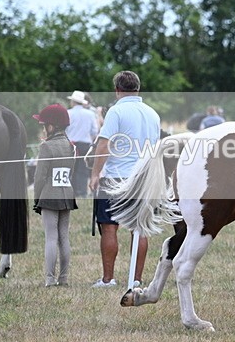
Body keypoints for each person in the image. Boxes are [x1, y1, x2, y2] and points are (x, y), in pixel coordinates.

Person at [89, 71, 161, 288]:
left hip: (116, 176)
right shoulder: (153, 113)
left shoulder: (116, 111)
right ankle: (136, 278)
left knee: (109, 226)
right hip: (143, 177)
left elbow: (104, 145)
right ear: (138, 89)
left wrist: (95, 173)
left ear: (117, 90)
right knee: (139, 228)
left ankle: (108, 279)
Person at [32, 103, 78, 287]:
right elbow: (71, 172)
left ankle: (50, 279)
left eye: (44, 125)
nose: (44, 129)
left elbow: (39, 177)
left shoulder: (46, 147)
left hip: (50, 194)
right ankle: (63, 278)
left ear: (52, 126)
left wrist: (37, 198)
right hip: (66, 193)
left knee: (51, 237)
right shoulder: (71, 146)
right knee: (63, 237)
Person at [65, 90, 98, 198]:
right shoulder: (90, 114)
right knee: (83, 169)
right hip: (85, 144)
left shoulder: (68, 113)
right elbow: (94, 131)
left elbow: (64, 129)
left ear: (73, 102)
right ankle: (82, 192)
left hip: (71, 144)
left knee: (71, 169)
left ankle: (72, 191)